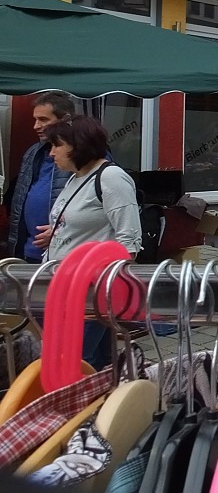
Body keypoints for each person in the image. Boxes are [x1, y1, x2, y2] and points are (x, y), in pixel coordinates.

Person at [39, 115, 142, 370]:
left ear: (79, 144)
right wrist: (58, 231)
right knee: (97, 363)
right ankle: (105, 403)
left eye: (57, 145)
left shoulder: (110, 177)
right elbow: (87, 219)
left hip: (89, 291)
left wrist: (109, 293)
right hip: (65, 287)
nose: (51, 153)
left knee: (69, 364)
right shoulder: (76, 177)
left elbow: (128, 240)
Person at [4, 91, 75, 262]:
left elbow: (96, 208)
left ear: (65, 120)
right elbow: (20, 201)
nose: (35, 126)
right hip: (28, 251)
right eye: (35, 119)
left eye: (43, 119)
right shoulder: (33, 152)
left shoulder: (86, 154)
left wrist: (62, 231)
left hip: (63, 254)